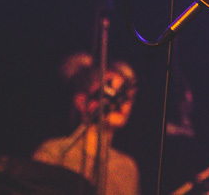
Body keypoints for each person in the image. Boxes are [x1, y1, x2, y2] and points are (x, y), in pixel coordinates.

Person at [33, 53, 140, 195]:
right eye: (110, 91)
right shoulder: (54, 153)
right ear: (81, 101)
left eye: (126, 96)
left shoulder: (127, 167)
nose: (121, 102)